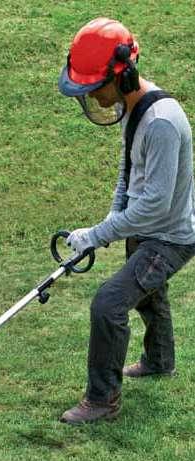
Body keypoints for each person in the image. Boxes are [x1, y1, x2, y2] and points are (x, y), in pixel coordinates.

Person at [57, 17, 195, 424]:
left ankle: (102, 401)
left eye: (95, 86)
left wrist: (100, 233)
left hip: (170, 237)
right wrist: (108, 224)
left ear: (124, 74)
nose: (93, 96)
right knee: (150, 296)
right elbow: (127, 174)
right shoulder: (133, 109)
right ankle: (160, 361)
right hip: (147, 229)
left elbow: (154, 203)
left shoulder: (162, 122)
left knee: (109, 304)